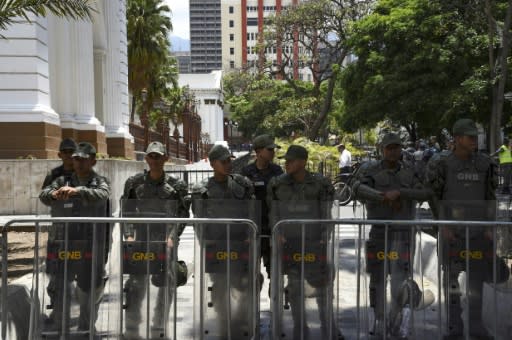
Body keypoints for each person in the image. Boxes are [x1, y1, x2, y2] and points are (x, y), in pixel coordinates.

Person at [425, 119, 509, 339]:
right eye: (470, 137)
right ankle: (454, 326)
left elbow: (490, 196)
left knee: (476, 282)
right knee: (452, 282)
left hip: (478, 232)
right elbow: (434, 196)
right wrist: (442, 226)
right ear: (457, 138)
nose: (475, 140)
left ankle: (476, 325)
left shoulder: (484, 163)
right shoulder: (440, 162)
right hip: (451, 231)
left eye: (476, 137)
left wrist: (490, 226)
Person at [352, 133, 434, 338]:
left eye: (396, 147)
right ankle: (378, 319)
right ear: (382, 149)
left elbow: (426, 192)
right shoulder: (370, 169)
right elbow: (356, 188)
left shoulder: (410, 171)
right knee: (377, 279)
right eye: (389, 148)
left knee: (400, 280)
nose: (393, 151)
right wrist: (382, 197)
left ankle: (395, 320)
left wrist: (401, 193)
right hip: (379, 232)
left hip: (403, 233)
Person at [267, 145, 343, 340]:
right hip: (289, 243)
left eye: (291, 160)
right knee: (294, 289)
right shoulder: (277, 184)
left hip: (314, 243)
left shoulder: (321, 184)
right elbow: (273, 212)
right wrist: (278, 231)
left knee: (322, 287)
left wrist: (324, 236)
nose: (286, 164)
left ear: (302, 161)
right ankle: (300, 329)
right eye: (286, 160)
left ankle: (328, 328)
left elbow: (327, 214)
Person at [39, 142, 110, 334]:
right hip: (64, 241)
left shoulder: (99, 181)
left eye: (83, 159)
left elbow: (103, 195)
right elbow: (44, 195)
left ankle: (86, 329)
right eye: (76, 159)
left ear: (93, 161)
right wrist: (55, 194)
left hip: (91, 242)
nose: (78, 163)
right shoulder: (63, 179)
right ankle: (60, 327)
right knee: (60, 284)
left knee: (90, 287)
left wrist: (78, 191)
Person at [121, 141, 190, 338]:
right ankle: (133, 326)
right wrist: (129, 234)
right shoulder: (134, 183)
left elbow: (183, 214)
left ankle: (159, 325)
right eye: (151, 156)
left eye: (158, 156)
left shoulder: (177, 186)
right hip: (140, 239)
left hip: (164, 239)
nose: (154, 160)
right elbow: (126, 211)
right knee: (136, 283)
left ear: (166, 158)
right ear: (146, 158)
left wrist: (172, 237)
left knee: (166, 281)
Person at [191, 144, 256, 338]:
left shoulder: (243, 184)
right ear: (212, 164)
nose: (228, 164)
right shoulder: (201, 189)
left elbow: (251, 213)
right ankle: (223, 323)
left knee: (247, 282)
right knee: (220, 286)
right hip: (216, 246)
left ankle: (241, 321)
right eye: (224, 161)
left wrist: (249, 236)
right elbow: (198, 220)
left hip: (240, 244)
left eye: (230, 161)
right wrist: (206, 242)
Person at [241, 134, 283, 283]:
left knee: (276, 271)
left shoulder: (277, 171)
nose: (273, 152)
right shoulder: (246, 172)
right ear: (258, 151)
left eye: (273, 149)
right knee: (250, 271)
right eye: (269, 149)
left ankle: (275, 298)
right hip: (253, 228)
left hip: (273, 227)